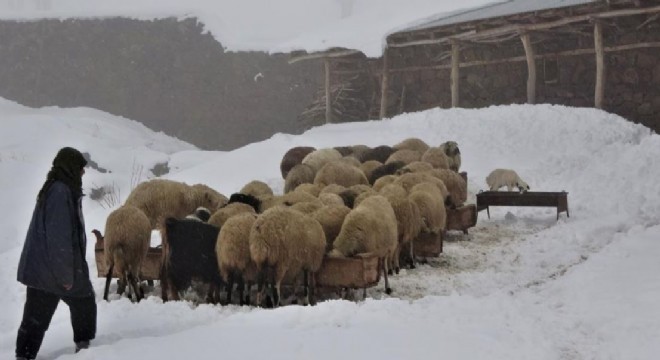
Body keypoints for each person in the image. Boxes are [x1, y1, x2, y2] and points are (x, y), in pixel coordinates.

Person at [15, 147, 97, 360]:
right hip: (54, 270)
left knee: (36, 317)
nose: (83, 173)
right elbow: (58, 238)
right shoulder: (60, 192)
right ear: (71, 167)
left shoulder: (59, 187)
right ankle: (84, 347)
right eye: (80, 168)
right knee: (82, 302)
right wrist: (65, 277)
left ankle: (24, 355)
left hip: (44, 269)